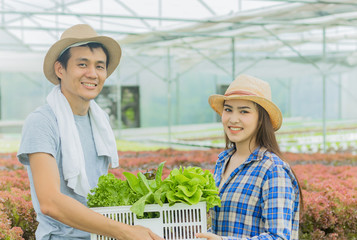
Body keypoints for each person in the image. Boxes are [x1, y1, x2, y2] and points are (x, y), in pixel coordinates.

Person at [17, 24, 163, 240]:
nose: (92, 74)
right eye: (82, 64)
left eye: (100, 66)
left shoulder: (99, 122)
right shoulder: (43, 122)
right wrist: (125, 231)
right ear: (60, 69)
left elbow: (97, 192)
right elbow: (50, 202)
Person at [196, 74, 302, 240]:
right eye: (228, 109)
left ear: (261, 119)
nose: (233, 119)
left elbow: (279, 237)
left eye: (244, 111)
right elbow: (226, 224)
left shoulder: (272, 170)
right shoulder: (223, 160)